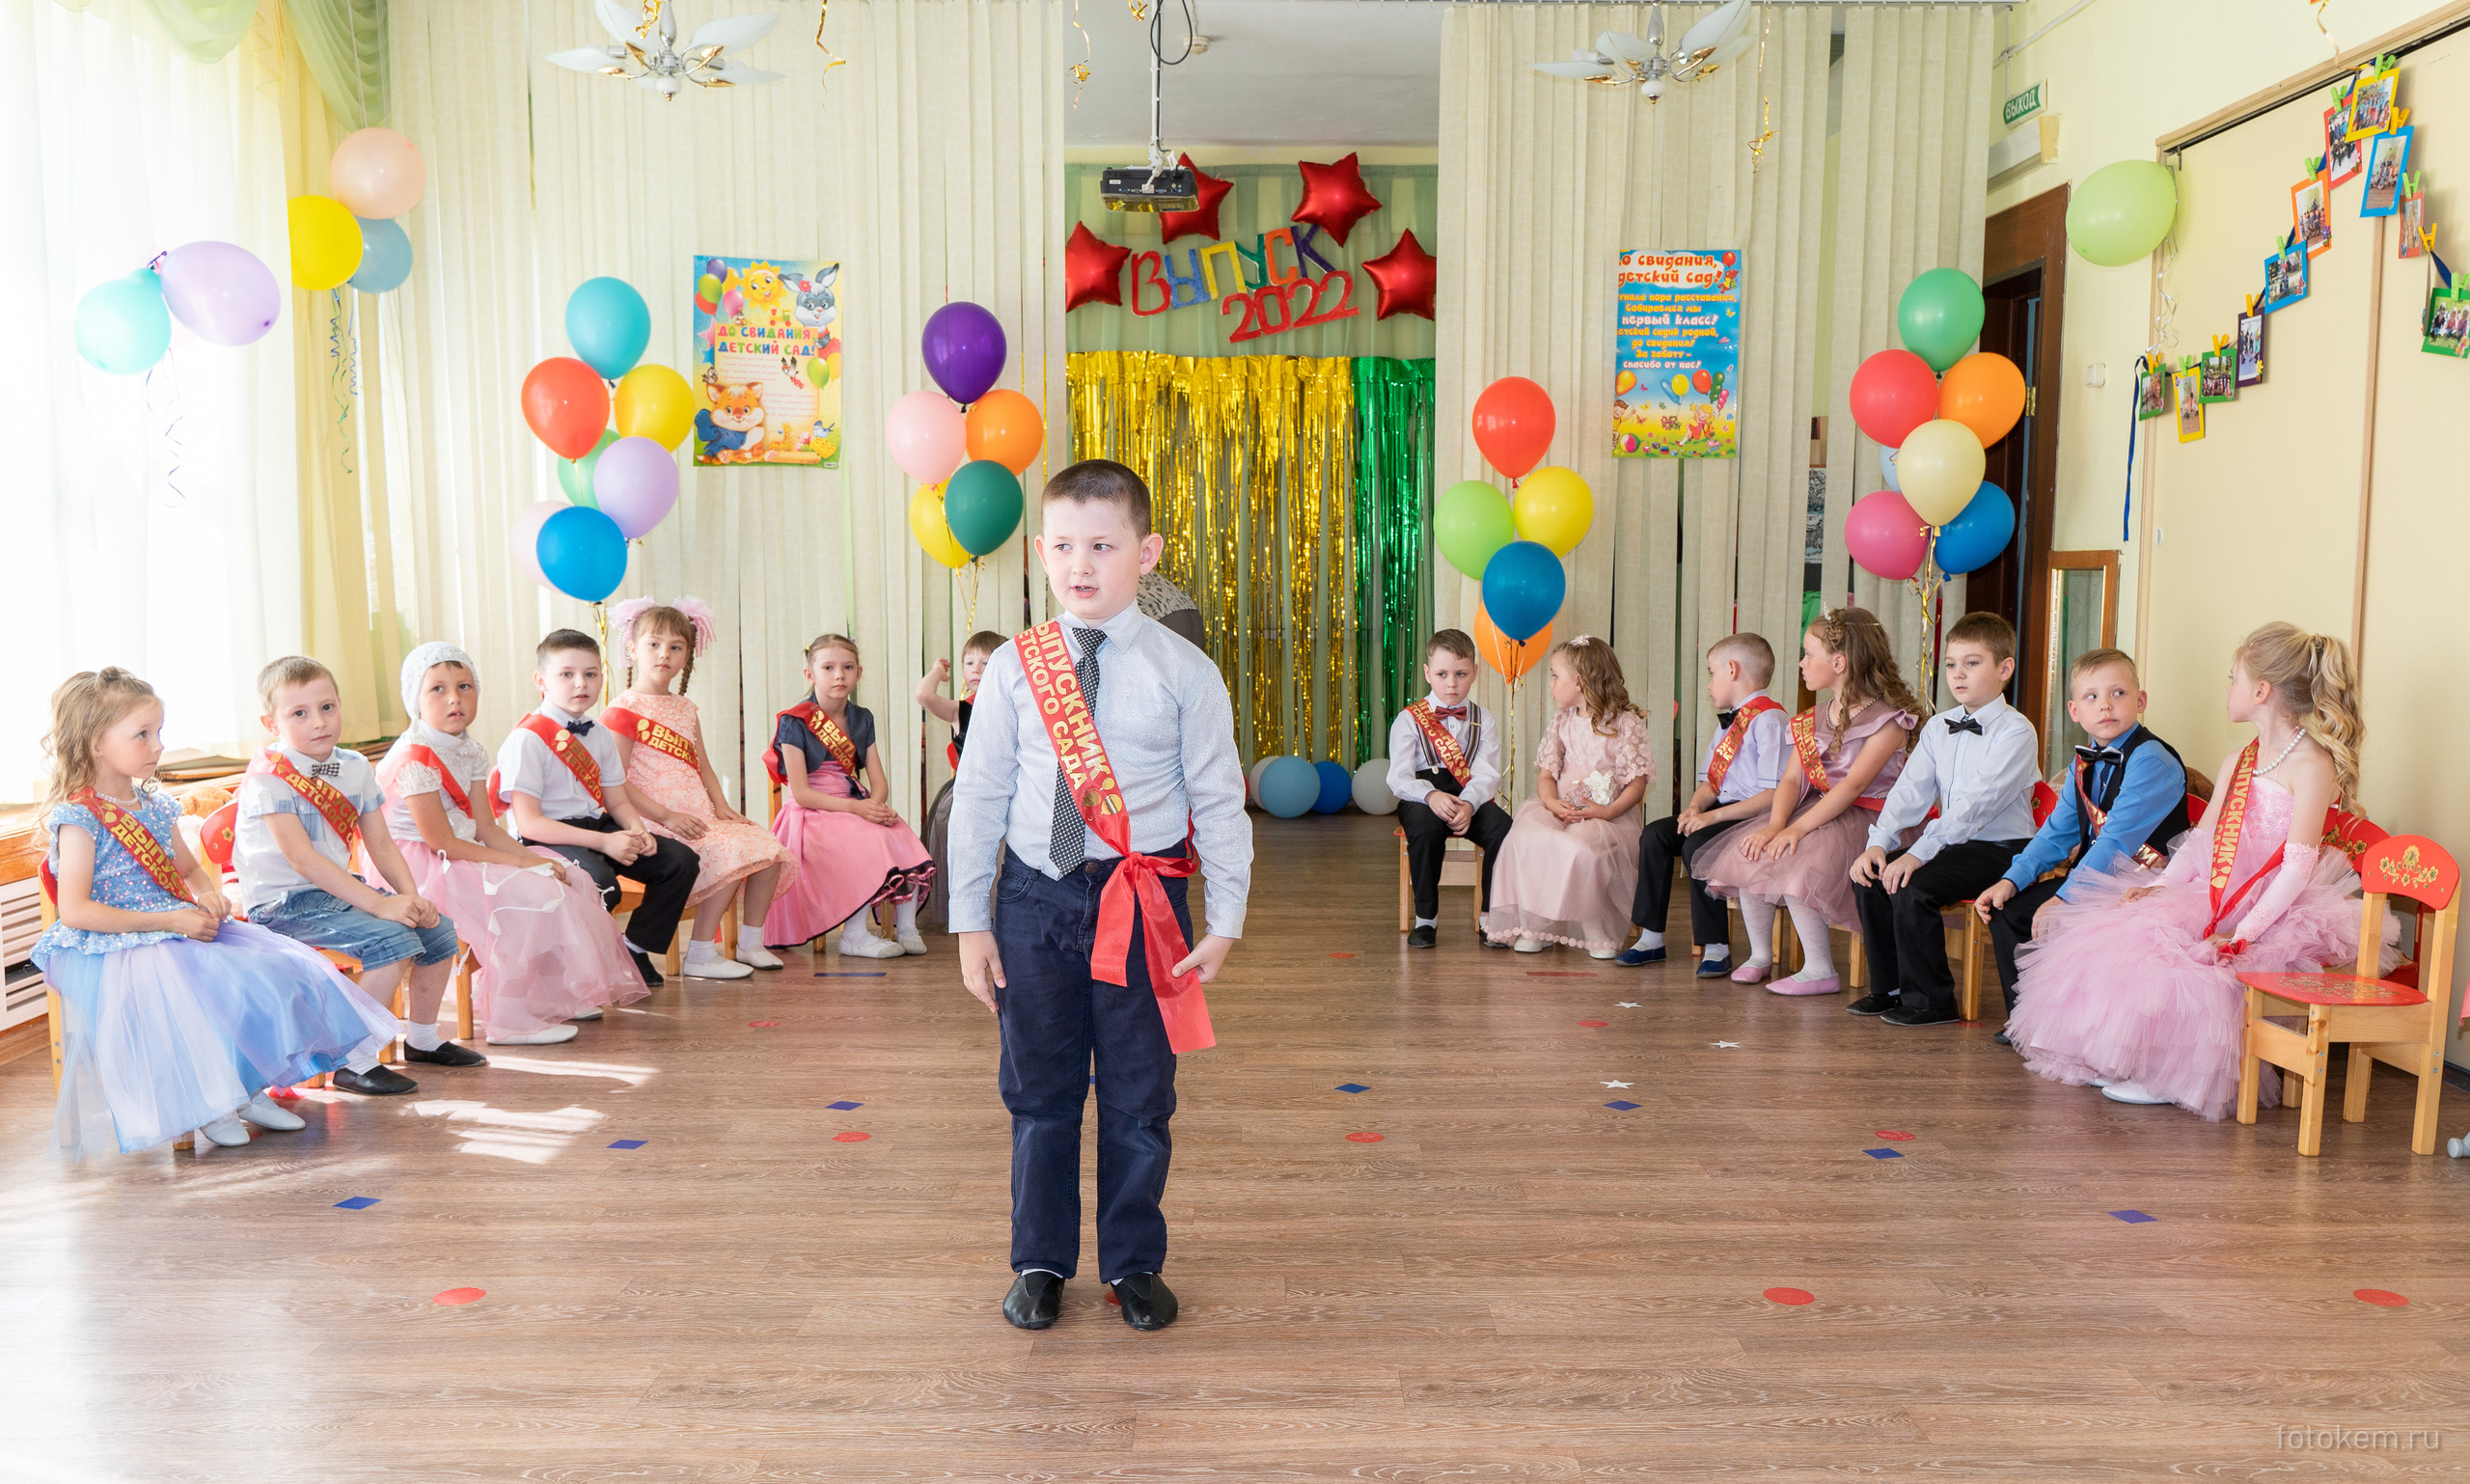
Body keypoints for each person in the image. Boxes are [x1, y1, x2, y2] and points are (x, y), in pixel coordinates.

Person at [950, 458, 1251, 1333]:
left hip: (1142, 904)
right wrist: (970, 920)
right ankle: (1040, 1260)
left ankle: (1132, 1262)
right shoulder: (1014, 667)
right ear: (1041, 552)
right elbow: (981, 795)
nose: (1082, 564)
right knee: (1038, 1091)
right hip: (1035, 901)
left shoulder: (1185, 671)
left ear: (1146, 553)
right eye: (1065, 546)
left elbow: (1219, 797)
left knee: (1138, 1094)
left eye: (1104, 545)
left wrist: (1226, 918)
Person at [2008, 624, 2384, 1118]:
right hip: (2214, 886)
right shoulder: (2239, 760)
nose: (2227, 689)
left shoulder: (2312, 764)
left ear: (2261, 692)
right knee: (2122, 934)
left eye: (2233, 679)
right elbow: (2202, 841)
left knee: (2194, 967)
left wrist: (2240, 935)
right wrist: (2159, 885)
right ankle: (2124, 1058)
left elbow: (2296, 869)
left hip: (2276, 903)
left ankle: (2170, 1075)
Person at [36, 669, 400, 1159]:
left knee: (274, 969)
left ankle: (247, 1093)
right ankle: (211, 1104)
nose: (158, 745)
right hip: (116, 944)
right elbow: (77, 911)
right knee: (200, 986)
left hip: (175, 926)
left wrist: (207, 895)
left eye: (158, 732)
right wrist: (170, 920)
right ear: (96, 744)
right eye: (142, 735)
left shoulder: (153, 804)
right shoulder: (78, 817)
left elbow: (188, 869)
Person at [379, 643, 647, 1047]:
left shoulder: (468, 748)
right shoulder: (414, 757)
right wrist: (523, 868)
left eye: (465, 686)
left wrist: (531, 860)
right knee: (525, 895)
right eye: (438, 689)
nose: (455, 698)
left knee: (571, 877)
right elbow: (443, 843)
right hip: (420, 866)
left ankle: (553, 997)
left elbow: (487, 827)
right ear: (413, 700)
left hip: (463, 852)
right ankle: (511, 1017)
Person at [236, 656, 471, 1091]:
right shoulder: (268, 780)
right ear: (272, 722)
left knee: (438, 932)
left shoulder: (356, 767)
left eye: (327, 708)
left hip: (337, 892)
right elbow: (303, 860)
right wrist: (382, 905)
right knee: (394, 940)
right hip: (283, 903)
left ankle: (421, 1039)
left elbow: (380, 843)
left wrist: (411, 897)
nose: (319, 722)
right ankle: (355, 1060)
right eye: (299, 714)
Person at [1694, 608, 1922, 994]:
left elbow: (1851, 788)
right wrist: (1775, 825)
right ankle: (1760, 955)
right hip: (1816, 809)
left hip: (1869, 817)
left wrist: (1796, 828)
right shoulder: (1812, 717)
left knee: (1801, 866)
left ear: (1839, 662)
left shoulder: (1887, 721)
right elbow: (1792, 778)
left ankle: (1820, 969)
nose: (1801, 662)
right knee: (1755, 851)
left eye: (1808, 653)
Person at [1973, 648, 2190, 1046]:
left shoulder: (2151, 759)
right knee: (2009, 909)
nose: (2105, 705)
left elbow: (2116, 841)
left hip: (2145, 885)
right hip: (2099, 876)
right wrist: (2011, 879)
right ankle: (2029, 1021)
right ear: (2074, 710)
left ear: (2140, 701)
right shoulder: (2082, 765)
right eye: (2091, 697)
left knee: (2063, 916)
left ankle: (2074, 1031)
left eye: (2118, 693)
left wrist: (2065, 898)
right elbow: (2055, 834)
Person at [1848, 612, 2044, 1027]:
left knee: (1912, 884)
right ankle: (1890, 989)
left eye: (1972, 663)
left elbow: (1975, 807)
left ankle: (1932, 1001)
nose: (1958, 675)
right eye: (1951, 664)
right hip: (1954, 844)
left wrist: (1916, 855)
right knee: (1871, 874)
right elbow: (1909, 792)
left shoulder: (2016, 732)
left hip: (2003, 850)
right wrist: (1879, 842)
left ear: (2004, 668)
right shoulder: (1938, 726)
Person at [494, 629, 700, 988]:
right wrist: (603, 843)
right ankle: (579, 973)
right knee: (600, 883)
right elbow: (528, 824)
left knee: (678, 861)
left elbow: (616, 798)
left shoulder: (600, 733)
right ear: (541, 680)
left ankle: (634, 947)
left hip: (597, 826)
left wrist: (637, 830)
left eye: (591, 674)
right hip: (550, 836)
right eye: (567, 674)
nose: (580, 684)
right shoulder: (527, 738)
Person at [608, 598, 797, 978]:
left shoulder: (685, 708)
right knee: (731, 851)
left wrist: (723, 807)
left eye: (676, 647)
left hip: (698, 815)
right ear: (632, 650)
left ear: (687, 655)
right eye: (654, 644)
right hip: (655, 821)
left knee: (768, 846)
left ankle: (750, 942)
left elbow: (703, 765)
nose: (665, 654)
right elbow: (616, 782)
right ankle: (700, 954)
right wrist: (667, 817)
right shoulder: (622, 708)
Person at [1615, 633, 1786, 976]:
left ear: (1733, 670)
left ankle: (1716, 946)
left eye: (1711, 673)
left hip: (1753, 818)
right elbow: (1710, 782)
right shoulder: (1729, 722)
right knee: (1655, 835)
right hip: (1720, 811)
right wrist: (1694, 809)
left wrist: (1711, 819)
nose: (1708, 685)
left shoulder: (1770, 720)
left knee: (1697, 846)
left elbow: (1773, 794)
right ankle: (1651, 938)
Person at [762, 633, 935, 959]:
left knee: (898, 830)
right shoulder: (793, 721)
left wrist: (877, 805)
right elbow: (800, 793)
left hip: (854, 804)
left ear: (859, 673)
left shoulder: (862, 718)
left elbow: (878, 780)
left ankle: (907, 927)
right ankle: (854, 936)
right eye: (828, 667)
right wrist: (858, 810)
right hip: (811, 813)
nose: (839, 675)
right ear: (810, 674)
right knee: (864, 840)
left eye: (847, 667)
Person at [1480, 637, 1655, 958]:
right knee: (1526, 837)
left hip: (1606, 815)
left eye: (1554, 676)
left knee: (1580, 848)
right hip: (1558, 808)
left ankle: (1593, 926)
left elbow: (1637, 783)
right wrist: (1550, 803)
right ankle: (1538, 924)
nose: (1550, 684)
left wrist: (1605, 812)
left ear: (1578, 681)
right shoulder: (1562, 723)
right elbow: (1547, 775)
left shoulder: (1624, 725)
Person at [1388, 628, 1509, 949]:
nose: (1452, 683)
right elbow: (1398, 778)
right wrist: (1430, 794)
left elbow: (1486, 773)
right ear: (1428, 673)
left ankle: (1490, 918)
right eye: (1442, 674)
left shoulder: (1485, 719)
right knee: (1426, 830)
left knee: (1503, 828)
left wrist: (1468, 804)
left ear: (1475, 673)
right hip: (1421, 798)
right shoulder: (1409, 719)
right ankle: (1426, 919)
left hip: (1470, 796)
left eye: (1461, 673)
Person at [917, 630, 1007, 928]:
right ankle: (972, 916)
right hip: (968, 789)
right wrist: (937, 672)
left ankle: (1004, 911)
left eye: (986, 661)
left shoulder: (1013, 706)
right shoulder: (961, 711)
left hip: (1008, 787)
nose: (977, 670)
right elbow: (924, 695)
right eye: (969, 663)